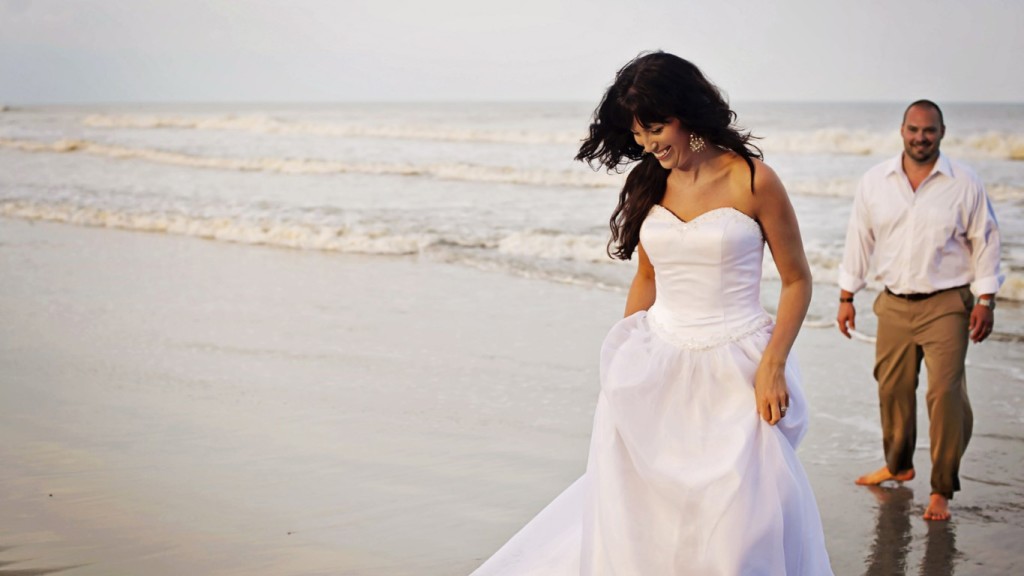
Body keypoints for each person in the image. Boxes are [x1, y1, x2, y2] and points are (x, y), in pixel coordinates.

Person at [471, 51, 832, 575]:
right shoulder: (648, 183)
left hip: (738, 370)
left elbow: (798, 279)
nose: (648, 145)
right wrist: (623, 359)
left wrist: (774, 364)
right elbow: (647, 277)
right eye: (639, 135)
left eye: (656, 129)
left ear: (687, 113)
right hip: (658, 363)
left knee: (739, 522)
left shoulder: (754, 181)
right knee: (647, 516)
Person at [836, 100, 1003, 522]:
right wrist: (846, 295)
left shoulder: (965, 182)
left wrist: (985, 299)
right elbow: (860, 239)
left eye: (929, 130)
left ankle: (941, 489)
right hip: (893, 303)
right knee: (891, 389)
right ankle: (898, 464)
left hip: (948, 303)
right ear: (901, 130)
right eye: (913, 129)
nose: (920, 137)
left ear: (942, 132)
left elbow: (985, 241)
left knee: (944, 394)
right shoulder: (876, 181)